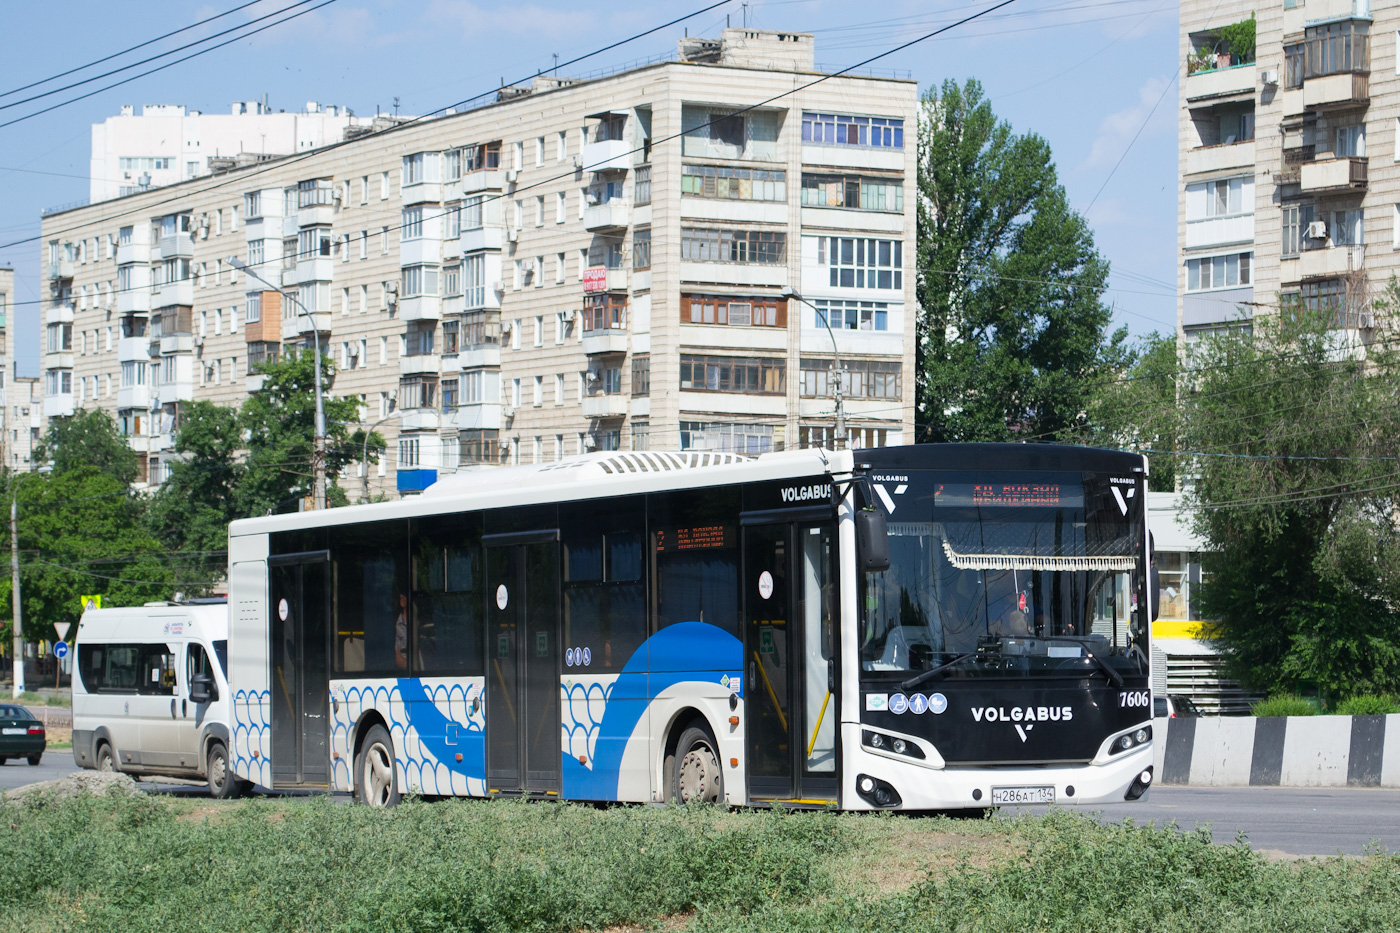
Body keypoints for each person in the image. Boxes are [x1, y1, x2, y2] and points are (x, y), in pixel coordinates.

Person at [394, 593, 409, 670]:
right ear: (402, 602)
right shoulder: (395, 626)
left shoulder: (423, 623)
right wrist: (412, 668)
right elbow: (395, 655)